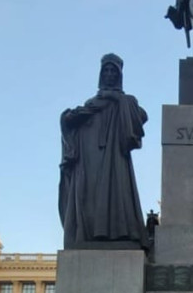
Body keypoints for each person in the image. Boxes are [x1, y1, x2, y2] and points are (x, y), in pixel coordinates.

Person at [58, 54, 149, 248]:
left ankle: (118, 234)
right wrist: (68, 118)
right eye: (106, 70)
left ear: (119, 75)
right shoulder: (92, 102)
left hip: (114, 155)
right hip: (89, 156)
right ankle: (89, 234)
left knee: (116, 192)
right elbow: (73, 122)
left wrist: (117, 99)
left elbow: (141, 116)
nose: (109, 74)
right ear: (101, 74)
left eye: (113, 71)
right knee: (89, 193)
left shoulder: (124, 101)